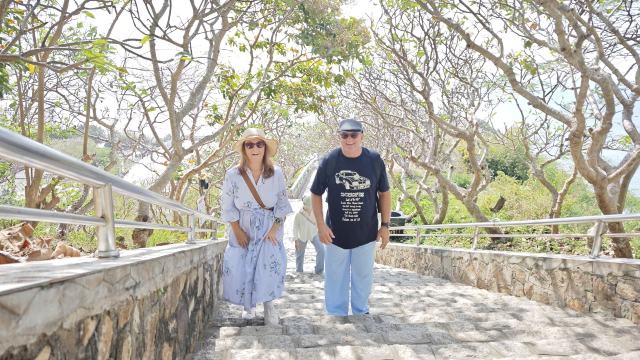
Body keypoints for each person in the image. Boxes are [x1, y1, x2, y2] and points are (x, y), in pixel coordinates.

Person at [310, 118, 391, 316]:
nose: (349, 139)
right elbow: (315, 193)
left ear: (361, 136)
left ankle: (361, 313)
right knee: (335, 278)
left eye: (354, 135)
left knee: (363, 277)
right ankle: (335, 315)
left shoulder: (374, 160)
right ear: (340, 137)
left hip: (366, 232)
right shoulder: (330, 160)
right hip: (335, 234)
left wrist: (386, 225)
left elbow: (385, 193)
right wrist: (321, 226)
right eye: (344, 135)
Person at [220, 128, 293, 325]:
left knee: (269, 265)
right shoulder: (233, 175)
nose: (255, 148)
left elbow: (282, 203)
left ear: (265, 148)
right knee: (242, 265)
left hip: (269, 224)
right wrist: (237, 230)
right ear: (244, 149)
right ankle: (248, 306)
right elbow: (227, 205)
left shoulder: (276, 173)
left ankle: (269, 305)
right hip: (242, 224)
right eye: (249, 144)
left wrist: (274, 228)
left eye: (259, 144)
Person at [293, 193, 325, 275]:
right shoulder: (298, 215)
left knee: (322, 250)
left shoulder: (315, 211)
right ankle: (299, 271)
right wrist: (296, 240)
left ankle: (319, 270)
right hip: (302, 236)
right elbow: (295, 228)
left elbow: (320, 223)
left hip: (314, 234)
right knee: (299, 255)